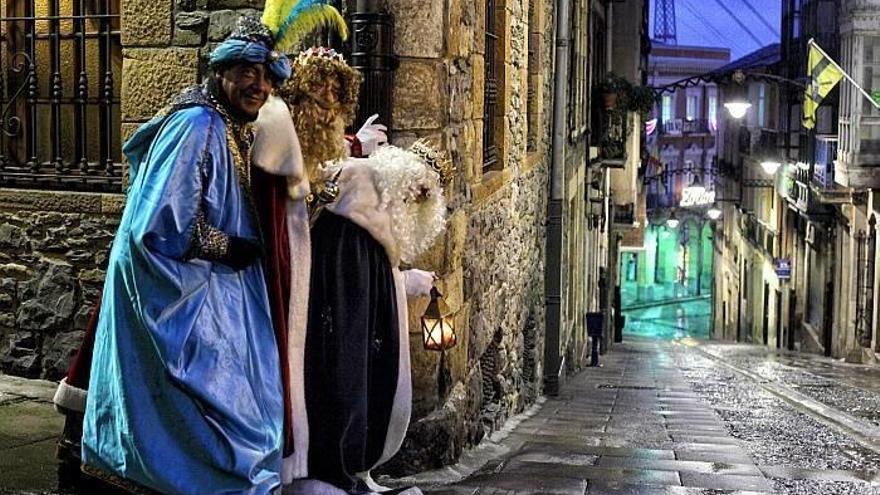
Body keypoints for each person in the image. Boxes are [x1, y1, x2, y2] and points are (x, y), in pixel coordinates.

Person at [78, 17, 292, 494]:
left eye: (267, 77)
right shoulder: (196, 124)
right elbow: (159, 224)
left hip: (213, 284)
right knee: (218, 397)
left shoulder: (229, 123)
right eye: (247, 72)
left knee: (244, 393)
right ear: (222, 71)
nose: (259, 86)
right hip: (176, 286)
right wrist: (228, 247)